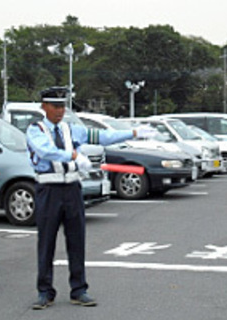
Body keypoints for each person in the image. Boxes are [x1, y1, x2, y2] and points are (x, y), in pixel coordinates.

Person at [27, 86, 154, 310]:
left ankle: (79, 289)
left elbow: (102, 136)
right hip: (49, 189)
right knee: (46, 242)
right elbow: (45, 151)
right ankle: (44, 291)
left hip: (72, 189)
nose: (60, 111)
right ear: (44, 106)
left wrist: (133, 133)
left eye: (63, 106)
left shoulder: (71, 129)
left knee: (77, 241)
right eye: (55, 106)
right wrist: (75, 155)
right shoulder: (35, 130)